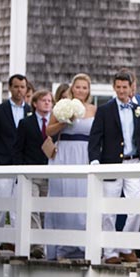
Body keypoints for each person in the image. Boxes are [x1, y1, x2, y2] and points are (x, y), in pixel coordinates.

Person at [89, 70, 140, 264]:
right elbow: (95, 137)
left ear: (131, 87)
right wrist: (95, 161)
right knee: (109, 209)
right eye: (118, 87)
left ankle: (125, 245)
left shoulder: (138, 109)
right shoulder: (105, 110)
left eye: (125, 87)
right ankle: (110, 252)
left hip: (134, 162)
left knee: (137, 206)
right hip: (111, 163)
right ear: (114, 88)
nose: (122, 90)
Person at [45, 74, 96, 261]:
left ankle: (82, 245)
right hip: (65, 153)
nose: (81, 90)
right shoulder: (62, 106)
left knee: (83, 197)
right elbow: (48, 131)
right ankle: (61, 246)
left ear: (88, 91)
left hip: (84, 154)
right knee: (63, 195)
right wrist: (64, 120)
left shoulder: (94, 110)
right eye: (78, 87)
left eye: (85, 87)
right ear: (72, 88)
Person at [0, 74, 32, 252]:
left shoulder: (29, 110)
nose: (19, 90)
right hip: (2, 162)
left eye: (22, 87)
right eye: (16, 87)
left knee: (18, 205)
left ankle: (14, 240)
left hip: (21, 164)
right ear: (10, 88)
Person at [13, 90, 52, 258]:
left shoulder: (56, 122)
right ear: (35, 103)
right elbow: (18, 148)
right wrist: (21, 169)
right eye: (43, 100)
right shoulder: (25, 123)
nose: (47, 103)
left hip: (50, 171)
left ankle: (45, 243)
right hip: (31, 171)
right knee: (33, 208)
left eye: (49, 101)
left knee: (45, 210)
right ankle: (37, 245)